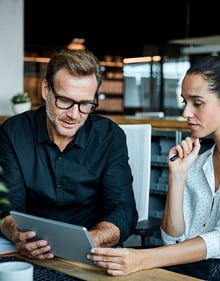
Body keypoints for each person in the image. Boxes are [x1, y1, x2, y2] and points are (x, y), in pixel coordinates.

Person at [87, 55, 220, 281]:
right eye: (184, 102)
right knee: (101, 271)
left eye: (197, 103)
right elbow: (171, 239)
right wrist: (177, 176)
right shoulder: (198, 161)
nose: (186, 113)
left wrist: (141, 259)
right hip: (190, 264)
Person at [0, 49, 138, 259]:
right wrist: (17, 234)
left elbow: (123, 210)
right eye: (64, 100)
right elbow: (7, 204)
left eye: (85, 104)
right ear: (46, 89)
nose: (74, 115)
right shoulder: (12, 133)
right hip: (28, 253)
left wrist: (88, 241)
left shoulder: (110, 137)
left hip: (92, 254)